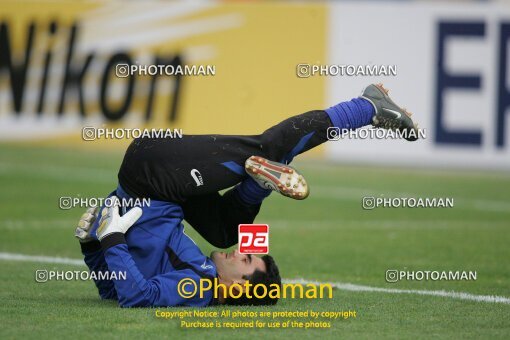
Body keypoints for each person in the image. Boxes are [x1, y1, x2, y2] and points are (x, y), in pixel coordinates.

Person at [74, 83, 418, 307]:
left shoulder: (198, 288)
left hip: (152, 174)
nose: (243, 252)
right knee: (227, 232)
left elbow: (129, 295)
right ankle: (258, 184)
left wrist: (100, 242)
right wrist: (105, 239)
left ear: (238, 287)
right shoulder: (205, 274)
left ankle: (366, 107)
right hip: (157, 181)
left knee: (269, 146)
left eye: (248, 261)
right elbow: (117, 289)